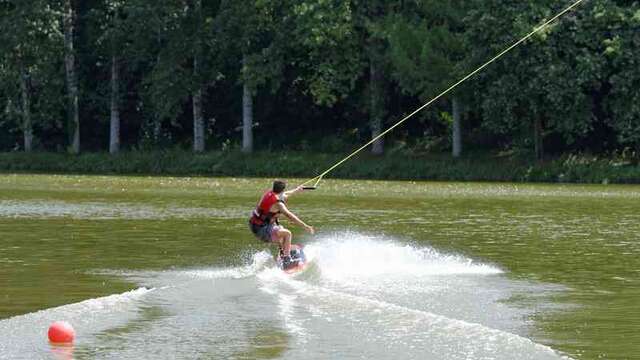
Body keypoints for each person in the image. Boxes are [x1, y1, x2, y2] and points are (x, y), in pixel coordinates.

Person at [249, 180, 314, 265]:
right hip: (262, 230)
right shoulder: (278, 204)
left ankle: (284, 252)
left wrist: (297, 190)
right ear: (282, 190)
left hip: (254, 225)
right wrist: (306, 226)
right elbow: (290, 216)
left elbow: (284, 195)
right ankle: (287, 259)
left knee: (281, 230)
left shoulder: (269, 194)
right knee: (287, 234)